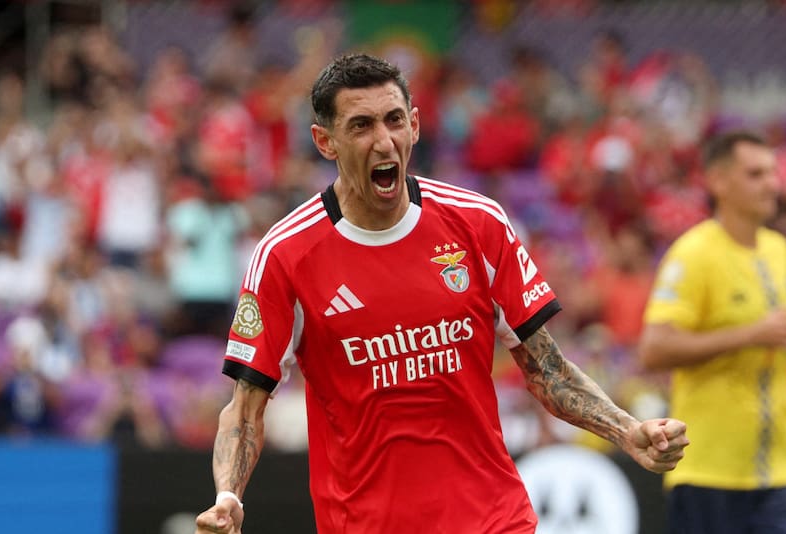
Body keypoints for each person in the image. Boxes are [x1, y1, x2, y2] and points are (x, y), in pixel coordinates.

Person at [195, 53, 689, 534]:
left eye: (393, 120)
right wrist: (228, 497)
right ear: (325, 142)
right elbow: (244, 409)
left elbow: (547, 370)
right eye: (361, 126)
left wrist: (627, 430)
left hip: (494, 519)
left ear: (414, 124)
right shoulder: (285, 255)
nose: (384, 141)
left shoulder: (478, 224)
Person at [639, 131, 786, 534]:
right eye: (756, 174)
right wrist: (752, 334)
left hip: (776, 468)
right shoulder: (693, 254)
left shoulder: (778, 248)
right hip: (709, 471)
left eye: (773, 172)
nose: (773, 183)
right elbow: (654, 348)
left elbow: (766, 332)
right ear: (717, 181)